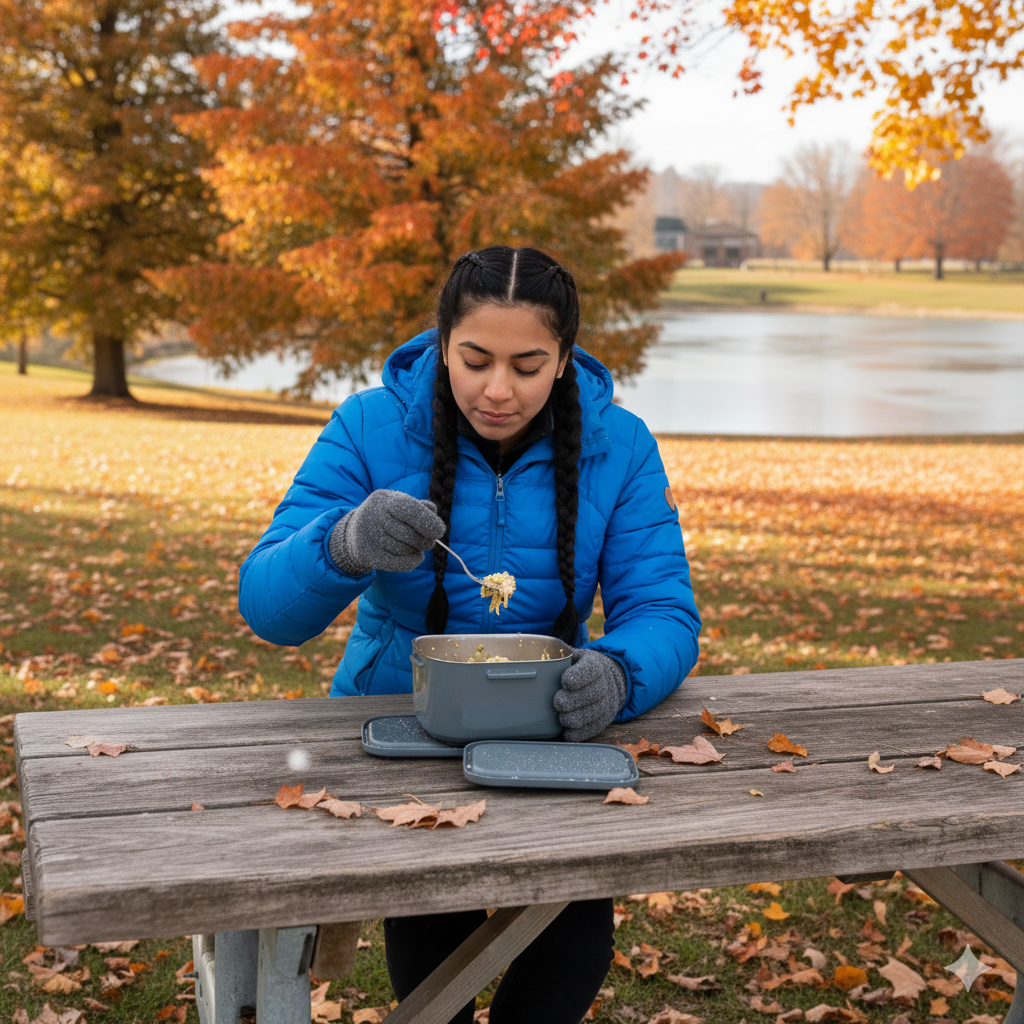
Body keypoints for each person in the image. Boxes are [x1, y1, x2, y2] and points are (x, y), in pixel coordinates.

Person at [238, 245, 701, 1023]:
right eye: (475, 359)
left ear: (562, 361)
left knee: (570, 928)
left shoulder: (618, 444)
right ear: (442, 341)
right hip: (395, 728)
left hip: (556, 730)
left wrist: (621, 672)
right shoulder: (369, 427)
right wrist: (343, 544)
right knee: (433, 934)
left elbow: (663, 609)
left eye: (527, 365)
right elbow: (268, 608)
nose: (497, 390)